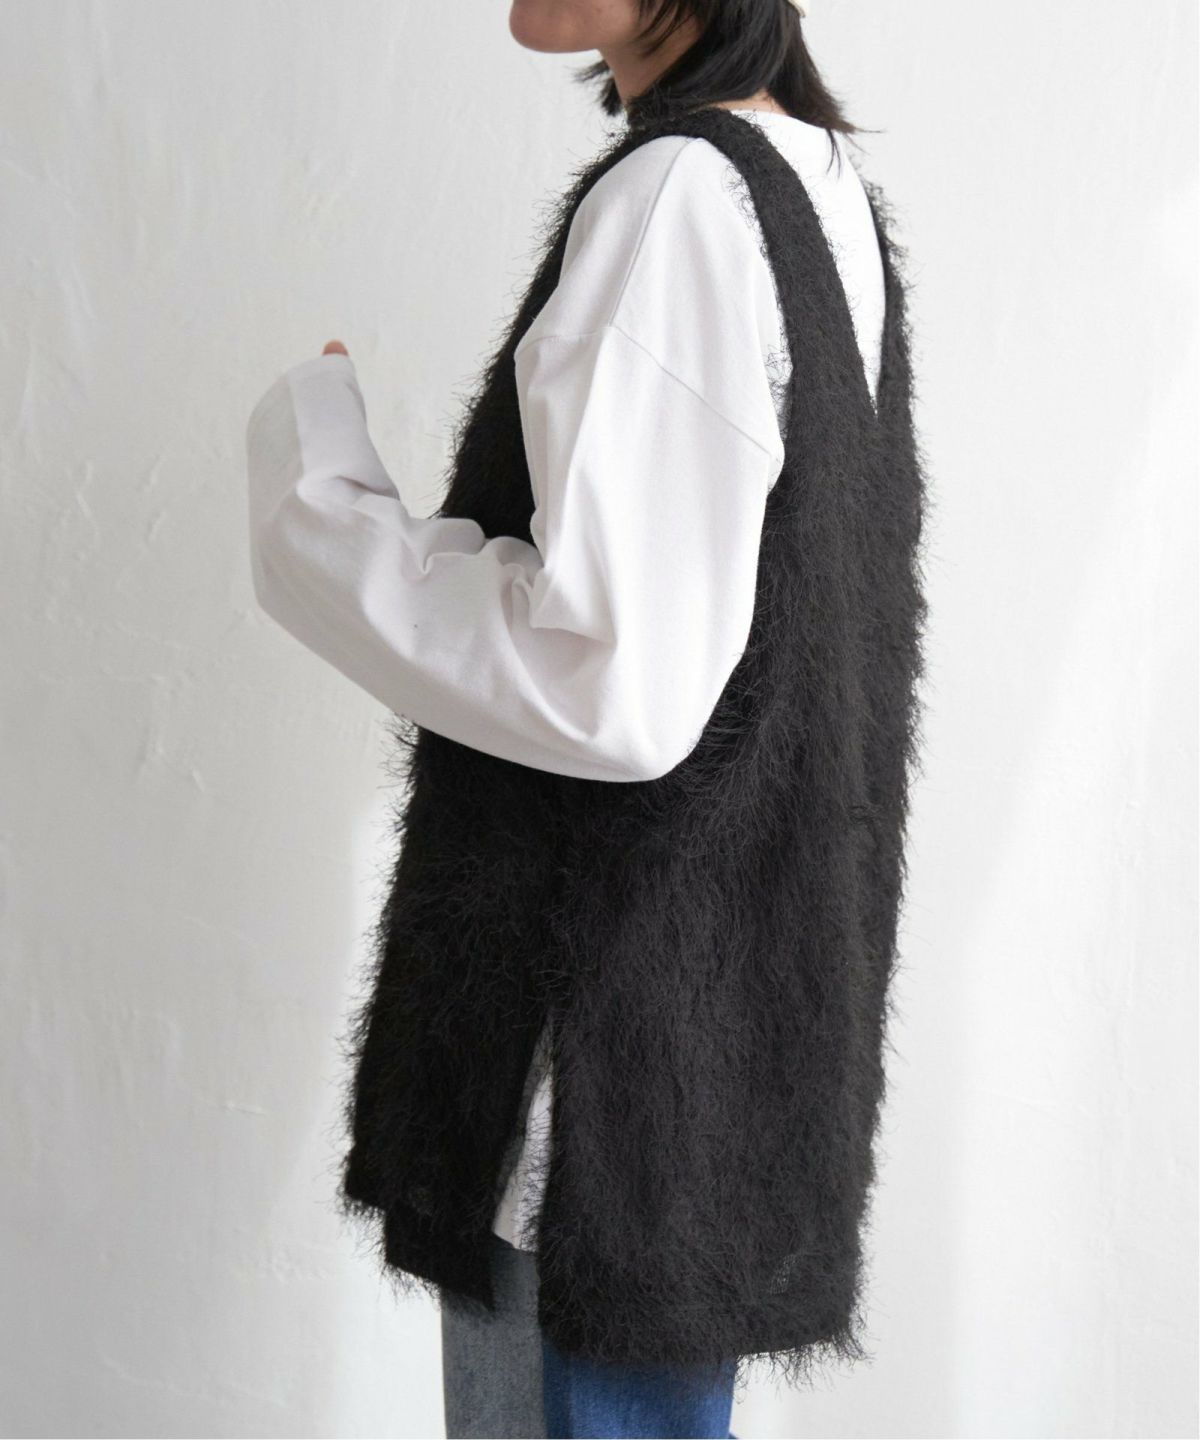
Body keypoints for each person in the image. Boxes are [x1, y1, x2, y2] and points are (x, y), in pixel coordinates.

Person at [245, 2, 927, 1436]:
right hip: (714, 1061)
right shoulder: (812, 186)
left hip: (601, 1086)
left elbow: (614, 687)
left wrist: (320, 503)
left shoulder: (681, 199)